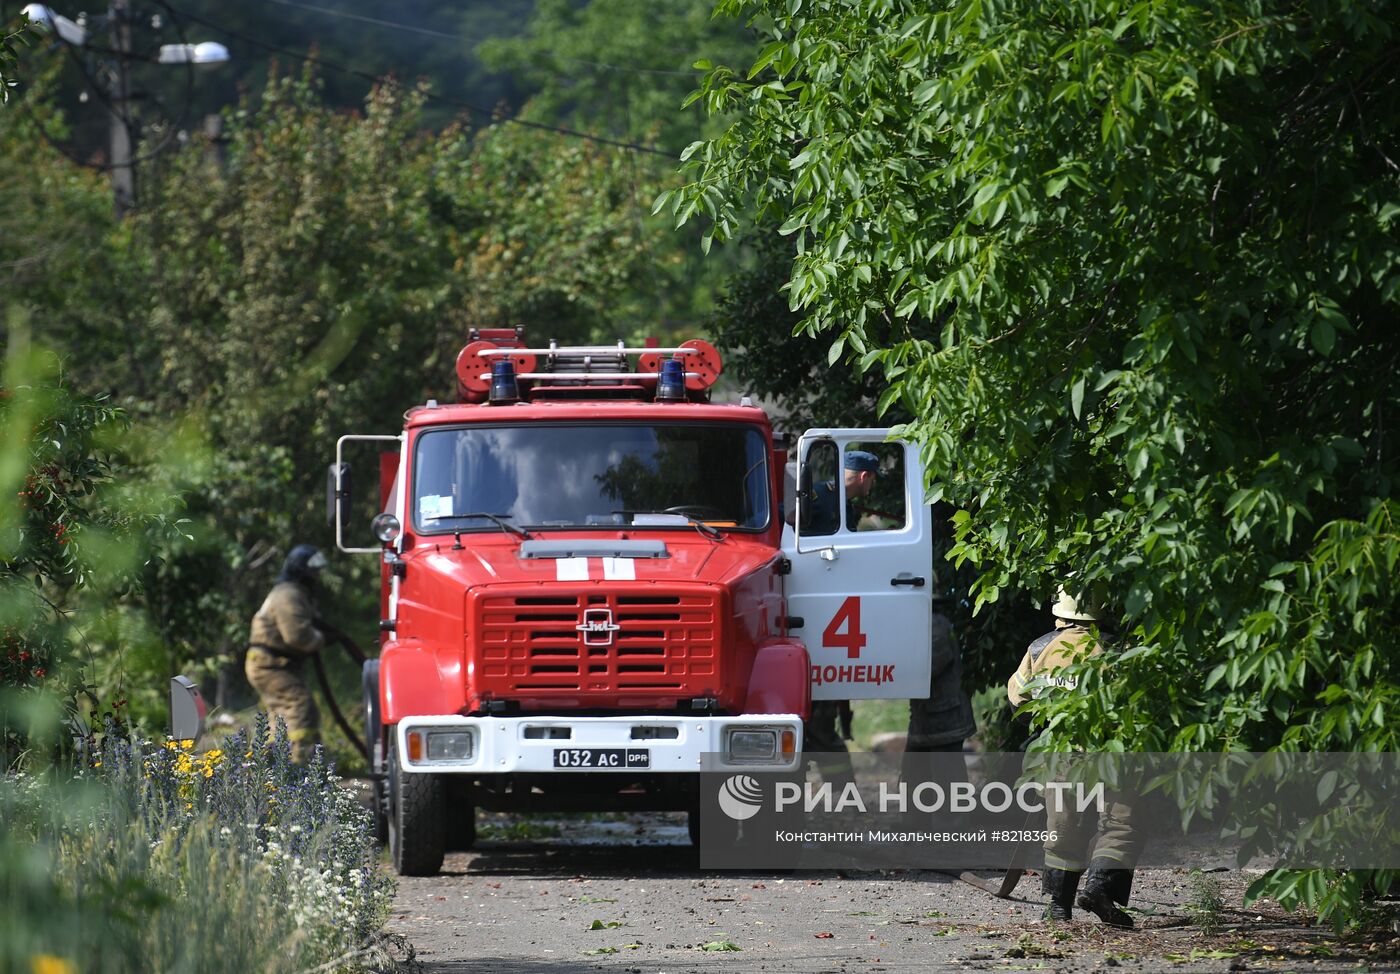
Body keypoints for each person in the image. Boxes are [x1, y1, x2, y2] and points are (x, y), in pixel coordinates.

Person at [1008, 587, 1140, 927]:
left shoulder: (1041, 647)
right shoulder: (1119, 648)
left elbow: (1019, 697)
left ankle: (1058, 906)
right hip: (1113, 751)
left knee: (1063, 825)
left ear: (1060, 611)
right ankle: (1099, 888)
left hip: (1060, 750)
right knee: (1120, 824)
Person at [801, 450, 880, 786]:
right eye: (873, 479)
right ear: (864, 477)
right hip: (815, 600)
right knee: (821, 719)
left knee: (831, 707)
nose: (873, 485)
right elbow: (792, 526)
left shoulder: (841, 502)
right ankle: (842, 788)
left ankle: (842, 788)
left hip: (831, 603)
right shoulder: (819, 496)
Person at [246, 544, 329, 764]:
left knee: (281, 716)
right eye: (313, 570)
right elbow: (297, 636)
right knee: (299, 706)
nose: (316, 575)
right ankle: (297, 766)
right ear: (301, 570)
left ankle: (274, 766)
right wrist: (320, 639)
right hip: (270, 665)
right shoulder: (288, 594)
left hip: (274, 663)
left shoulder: (294, 593)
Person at [902, 609, 975, 785]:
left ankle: (950, 813)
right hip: (928, 717)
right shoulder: (928, 621)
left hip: (945, 718)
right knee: (914, 779)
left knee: (947, 783)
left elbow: (930, 664)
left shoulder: (935, 624)